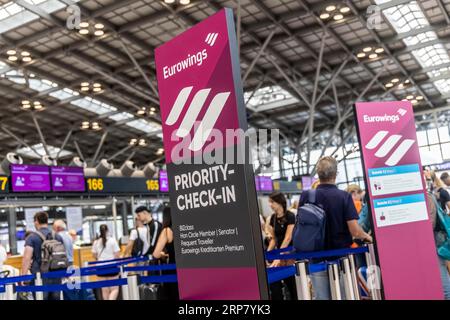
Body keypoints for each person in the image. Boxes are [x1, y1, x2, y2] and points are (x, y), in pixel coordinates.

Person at [300, 156, 372, 300]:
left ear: (318, 175)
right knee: (345, 295)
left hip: (316, 258)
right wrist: (368, 237)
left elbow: (301, 225)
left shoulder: (307, 195)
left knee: (322, 297)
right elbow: (355, 231)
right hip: (341, 258)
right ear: (335, 174)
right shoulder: (343, 196)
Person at [21, 211, 65, 300]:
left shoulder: (32, 237)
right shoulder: (57, 236)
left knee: (40, 297)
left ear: (36, 221)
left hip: (39, 276)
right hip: (56, 274)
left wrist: (24, 276)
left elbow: (26, 258)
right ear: (47, 221)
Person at [266, 192, 297, 300]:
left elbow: (288, 238)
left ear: (279, 202)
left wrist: (279, 256)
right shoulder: (272, 219)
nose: (270, 204)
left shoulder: (290, 216)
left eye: (272, 202)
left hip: (289, 256)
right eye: (269, 202)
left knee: (292, 286)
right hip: (278, 256)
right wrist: (267, 254)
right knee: (274, 286)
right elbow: (274, 240)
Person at [426, 192, 450, 299]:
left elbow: (431, 224)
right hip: (437, 243)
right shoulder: (429, 196)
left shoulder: (427, 197)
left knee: (444, 286)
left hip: (434, 243)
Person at [152, 206, 179, 300]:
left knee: (173, 294)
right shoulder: (184, 228)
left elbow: (156, 254)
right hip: (186, 267)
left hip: (172, 268)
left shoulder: (167, 231)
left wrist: (163, 255)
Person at [91, 224, 120, 300]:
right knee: (114, 289)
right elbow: (117, 255)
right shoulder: (112, 241)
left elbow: (94, 255)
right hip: (112, 266)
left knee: (105, 290)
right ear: (107, 230)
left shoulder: (96, 242)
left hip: (100, 267)